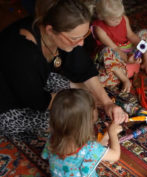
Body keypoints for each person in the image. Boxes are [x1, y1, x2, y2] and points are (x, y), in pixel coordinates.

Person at [0, 0, 128, 139]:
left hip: (33, 81)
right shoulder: (22, 53)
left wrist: (107, 103)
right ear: (50, 30)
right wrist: (84, 105)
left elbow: (84, 68)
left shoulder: (60, 31)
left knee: (81, 94)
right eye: (75, 38)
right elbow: (37, 101)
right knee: (76, 120)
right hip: (8, 104)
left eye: (83, 36)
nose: (81, 43)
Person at [41, 89, 122, 177]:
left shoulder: (52, 137)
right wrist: (112, 133)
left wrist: (105, 137)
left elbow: (45, 155)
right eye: (94, 107)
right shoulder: (91, 148)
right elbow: (115, 155)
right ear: (88, 119)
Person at [92, 0, 147, 93]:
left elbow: (131, 35)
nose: (118, 20)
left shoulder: (124, 19)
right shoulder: (99, 29)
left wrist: (142, 46)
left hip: (126, 48)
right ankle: (124, 78)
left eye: (120, 16)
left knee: (146, 33)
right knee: (106, 52)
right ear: (102, 17)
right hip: (115, 54)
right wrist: (126, 59)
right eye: (113, 19)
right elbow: (114, 48)